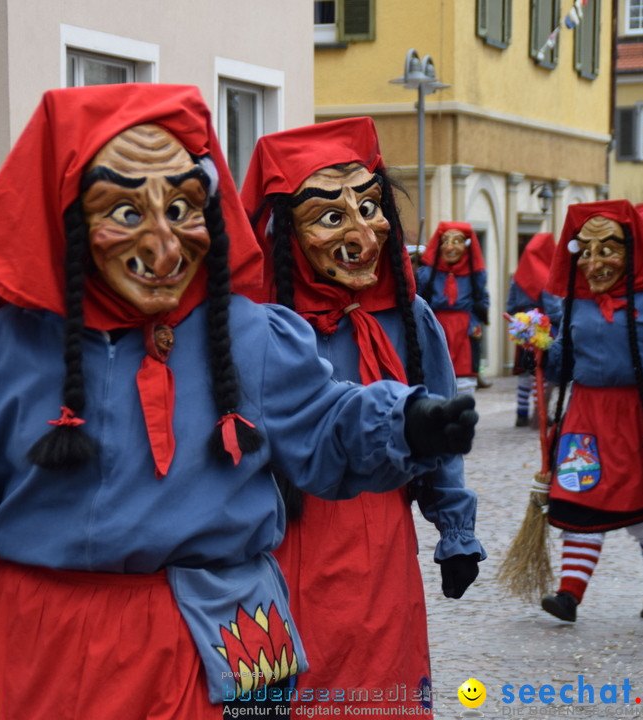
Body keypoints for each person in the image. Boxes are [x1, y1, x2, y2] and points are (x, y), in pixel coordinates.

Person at [0, 84, 477, 719]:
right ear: (67, 216)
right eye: (125, 211)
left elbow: (324, 419)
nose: (165, 246)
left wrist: (407, 420)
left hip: (226, 644)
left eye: (181, 208)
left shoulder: (251, 336)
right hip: (50, 651)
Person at [240, 116, 485, 714]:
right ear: (283, 233)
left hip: (379, 541)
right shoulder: (250, 328)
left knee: (375, 691)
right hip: (279, 538)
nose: (362, 233)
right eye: (330, 216)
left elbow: (441, 430)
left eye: (370, 208)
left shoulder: (410, 317)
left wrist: (455, 532)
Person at [539, 200, 643, 623]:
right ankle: (569, 595)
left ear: (632, 249)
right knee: (580, 491)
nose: (594, 262)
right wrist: (544, 349)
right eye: (584, 252)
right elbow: (564, 360)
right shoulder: (575, 301)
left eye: (607, 249)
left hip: (642, 413)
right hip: (587, 413)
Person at [417, 222, 490, 393]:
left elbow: (482, 298)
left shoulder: (476, 274)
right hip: (437, 325)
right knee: (436, 372)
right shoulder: (428, 273)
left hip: (464, 329)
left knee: (465, 378)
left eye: (456, 241)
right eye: (445, 241)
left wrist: (475, 323)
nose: (450, 247)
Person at [506, 232, 562, 427]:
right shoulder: (546, 276)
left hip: (523, 327)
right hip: (544, 327)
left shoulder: (517, 277)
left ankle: (521, 413)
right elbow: (554, 309)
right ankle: (540, 414)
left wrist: (519, 322)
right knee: (542, 370)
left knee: (525, 370)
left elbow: (510, 305)